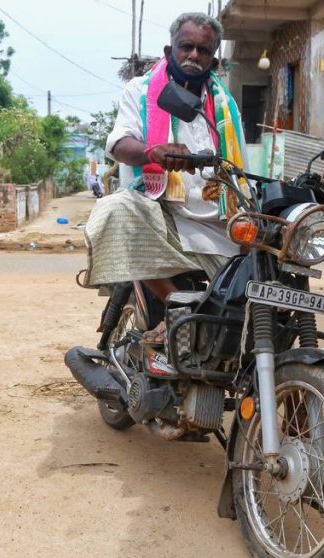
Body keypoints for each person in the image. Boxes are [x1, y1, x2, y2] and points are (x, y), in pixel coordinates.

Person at [83, 12, 247, 344]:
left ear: (213, 60)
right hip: (162, 213)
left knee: (262, 273)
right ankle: (176, 307)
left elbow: (239, 167)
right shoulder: (141, 90)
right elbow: (118, 144)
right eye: (186, 47)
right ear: (169, 50)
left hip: (216, 220)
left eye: (203, 51)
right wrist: (153, 152)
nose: (193, 56)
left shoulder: (225, 106)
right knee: (115, 210)